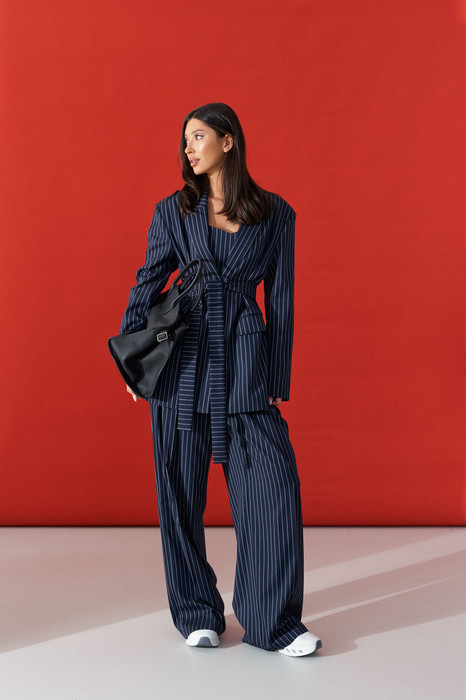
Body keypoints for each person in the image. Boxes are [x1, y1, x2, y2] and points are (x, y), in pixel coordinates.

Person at [118, 102, 322, 657]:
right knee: (178, 495)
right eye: (185, 139)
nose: (188, 148)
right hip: (181, 367)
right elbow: (146, 284)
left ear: (228, 141)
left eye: (199, 136)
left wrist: (276, 373)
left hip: (245, 363)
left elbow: (282, 300)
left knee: (272, 492)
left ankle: (273, 622)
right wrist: (134, 362)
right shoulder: (173, 211)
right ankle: (196, 612)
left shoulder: (275, 214)